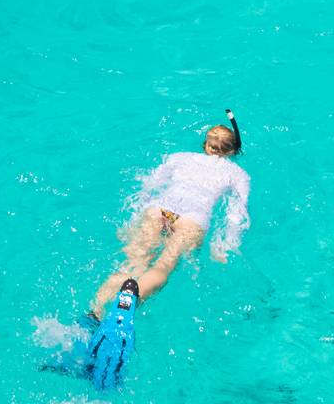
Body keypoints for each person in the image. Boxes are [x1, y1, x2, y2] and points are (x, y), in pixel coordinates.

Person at [91, 112, 250, 318]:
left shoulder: (178, 157)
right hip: (191, 220)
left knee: (133, 261)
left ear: (206, 145)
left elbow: (148, 186)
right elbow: (236, 213)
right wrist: (225, 245)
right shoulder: (238, 175)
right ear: (230, 151)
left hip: (159, 211)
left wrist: (132, 221)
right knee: (164, 265)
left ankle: (94, 311)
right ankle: (127, 305)